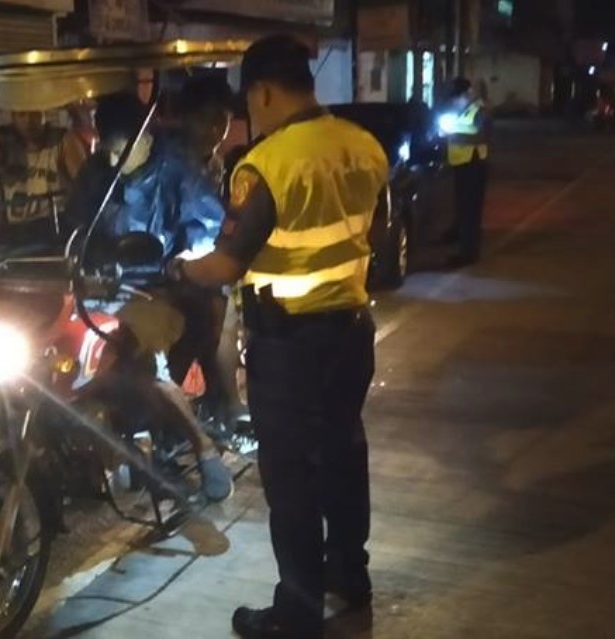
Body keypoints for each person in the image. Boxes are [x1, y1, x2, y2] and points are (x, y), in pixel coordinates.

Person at [168, 35, 389, 638]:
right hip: (351, 332)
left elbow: (228, 263)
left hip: (290, 347)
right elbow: (377, 235)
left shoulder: (266, 163)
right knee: (344, 455)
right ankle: (350, 574)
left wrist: (180, 269)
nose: (248, 113)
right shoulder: (362, 145)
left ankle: (297, 612)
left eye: (249, 101)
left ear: (263, 90)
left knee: (291, 477)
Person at [67, 91, 233, 502]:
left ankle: (202, 448)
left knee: (140, 359)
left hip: (166, 288)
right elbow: (74, 225)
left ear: (146, 140)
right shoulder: (96, 173)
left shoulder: (178, 169)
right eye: (106, 151)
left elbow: (207, 227)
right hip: (101, 288)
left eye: (122, 151)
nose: (112, 161)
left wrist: (178, 259)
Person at [167, 74, 242, 430]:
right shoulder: (172, 160)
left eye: (222, 121)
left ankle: (222, 409)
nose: (215, 129)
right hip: (171, 269)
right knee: (200, 334)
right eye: (207, 119)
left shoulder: (214, 161)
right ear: (187, 117)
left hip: (204, 263)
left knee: (220, 331)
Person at [0, 108, 85, 241]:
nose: (29, 121)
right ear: (13, 117)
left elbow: (84, 183)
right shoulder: (4, 142)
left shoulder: (63, 141)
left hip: (55, 227)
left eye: (35, 113)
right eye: (21, 114)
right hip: (16, 232)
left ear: (45, 113)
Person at [443, 77, 491, 265]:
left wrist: (452, 129)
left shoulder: (480, 109)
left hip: (474, 162)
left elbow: (479, 133)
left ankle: (468, 253)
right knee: (463, 207)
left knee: (470, 210)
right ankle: (460, 237)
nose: (455, 101)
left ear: (467, 93)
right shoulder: (461, 108)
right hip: (462, 162)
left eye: (458, 97)